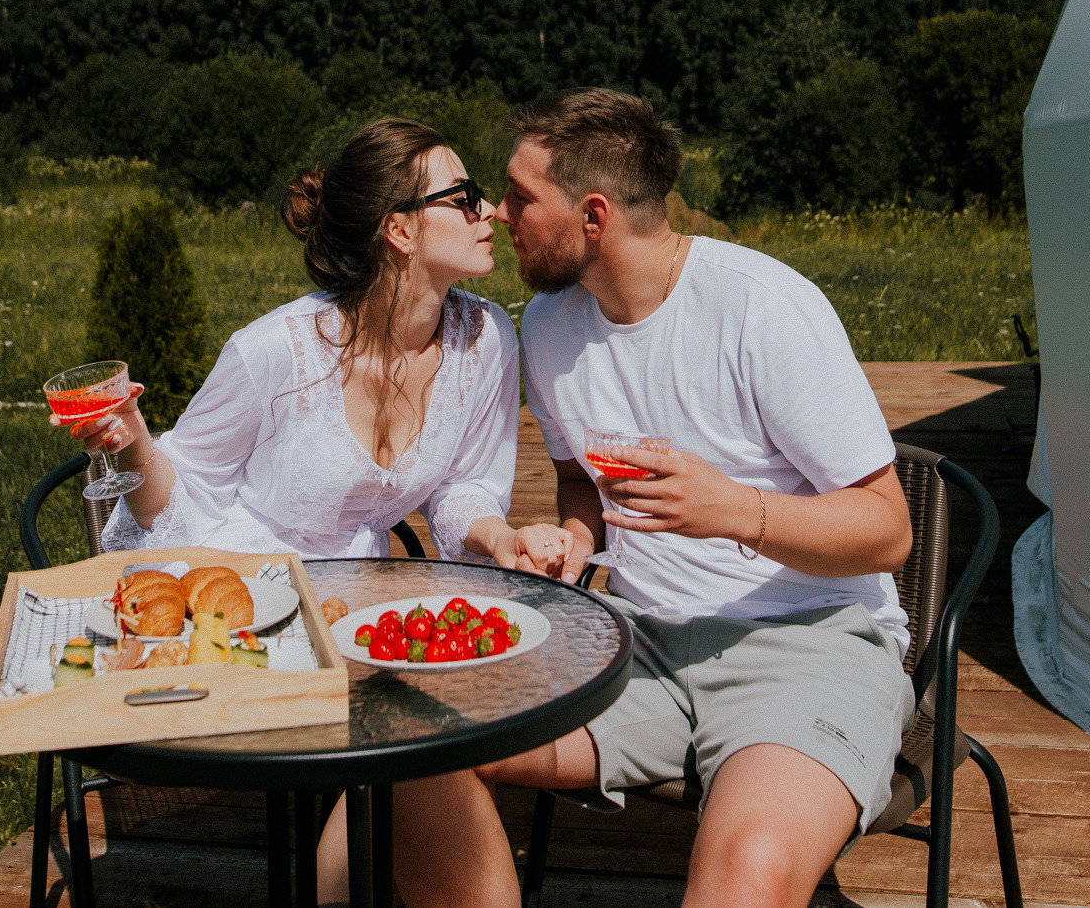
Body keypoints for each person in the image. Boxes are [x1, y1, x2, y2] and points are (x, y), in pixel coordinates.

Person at [61, 116, 570, 906]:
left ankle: (337, 891)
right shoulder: (277, 353)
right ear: (399, 229)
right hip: (237, 605)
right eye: (465, 197)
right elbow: (180, 502)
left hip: (357, 607)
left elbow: (463, 489)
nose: (492, 213)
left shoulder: (484, 338)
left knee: (425, 729)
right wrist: (131, 444)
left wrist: (503, 535)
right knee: (424, 734)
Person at [443, 87, 918, 908]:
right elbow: (577, 482)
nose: (496, 212)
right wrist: (575, 540)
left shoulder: (762, 309)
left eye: (520, 197)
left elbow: (888, 531)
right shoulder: (552, 326)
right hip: (637, 645)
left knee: (748, 871)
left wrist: (734, 509)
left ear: (593, 216)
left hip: (804, 645)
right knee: (423, 740)